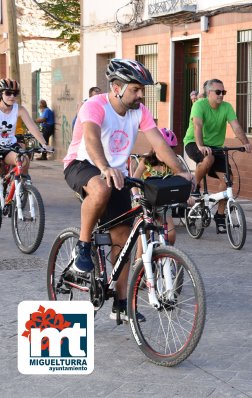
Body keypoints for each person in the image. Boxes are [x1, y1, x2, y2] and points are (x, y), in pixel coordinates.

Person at [63, 58, 192, 322]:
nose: (140, 94)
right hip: (83, 164)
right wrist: (104, 167)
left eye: (142, 89)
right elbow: (90, 137)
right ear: (116, 86)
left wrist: (181, 170)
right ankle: (83, 246)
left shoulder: (139, 111)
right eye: (135, 89)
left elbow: (158, 144)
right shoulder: (95, 105)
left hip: (117, 174)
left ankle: (121, 303)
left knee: (122, 239)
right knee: (99, 189)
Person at [183, 78, 252, 234]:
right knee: (208, 159)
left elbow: (236, 126)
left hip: (216, 147)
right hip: (194, 142)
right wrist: (200, 145)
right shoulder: (199, 105)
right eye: (218, 92)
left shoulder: (227, 107)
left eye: (223, 92)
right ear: (209, 93)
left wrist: (246, 143)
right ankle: (195, 186)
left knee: (228, 180)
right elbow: (197, 125)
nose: (221, 95)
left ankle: (220, 216)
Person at [131, 127, 182, 260]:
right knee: (145, 233)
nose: (168, 153)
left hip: (163, 202)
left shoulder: (171, 164)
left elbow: (181, 180)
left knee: (170, 235)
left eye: (171, 149)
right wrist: (136, 196)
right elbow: (134, 179)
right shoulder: (146, 161)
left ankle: (164, 255)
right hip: (144, 202)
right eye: (165, 149)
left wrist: (187, 196)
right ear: (155, 147)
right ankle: (138, 262)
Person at [0, 79, 52, 173]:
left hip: (10, 145)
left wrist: (45, 144)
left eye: (15, 94)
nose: (12, 96)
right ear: (1, 94)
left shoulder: (20, 109)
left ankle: (22, 184)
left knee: (23, 160)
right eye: (8, 93)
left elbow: (32, 127)